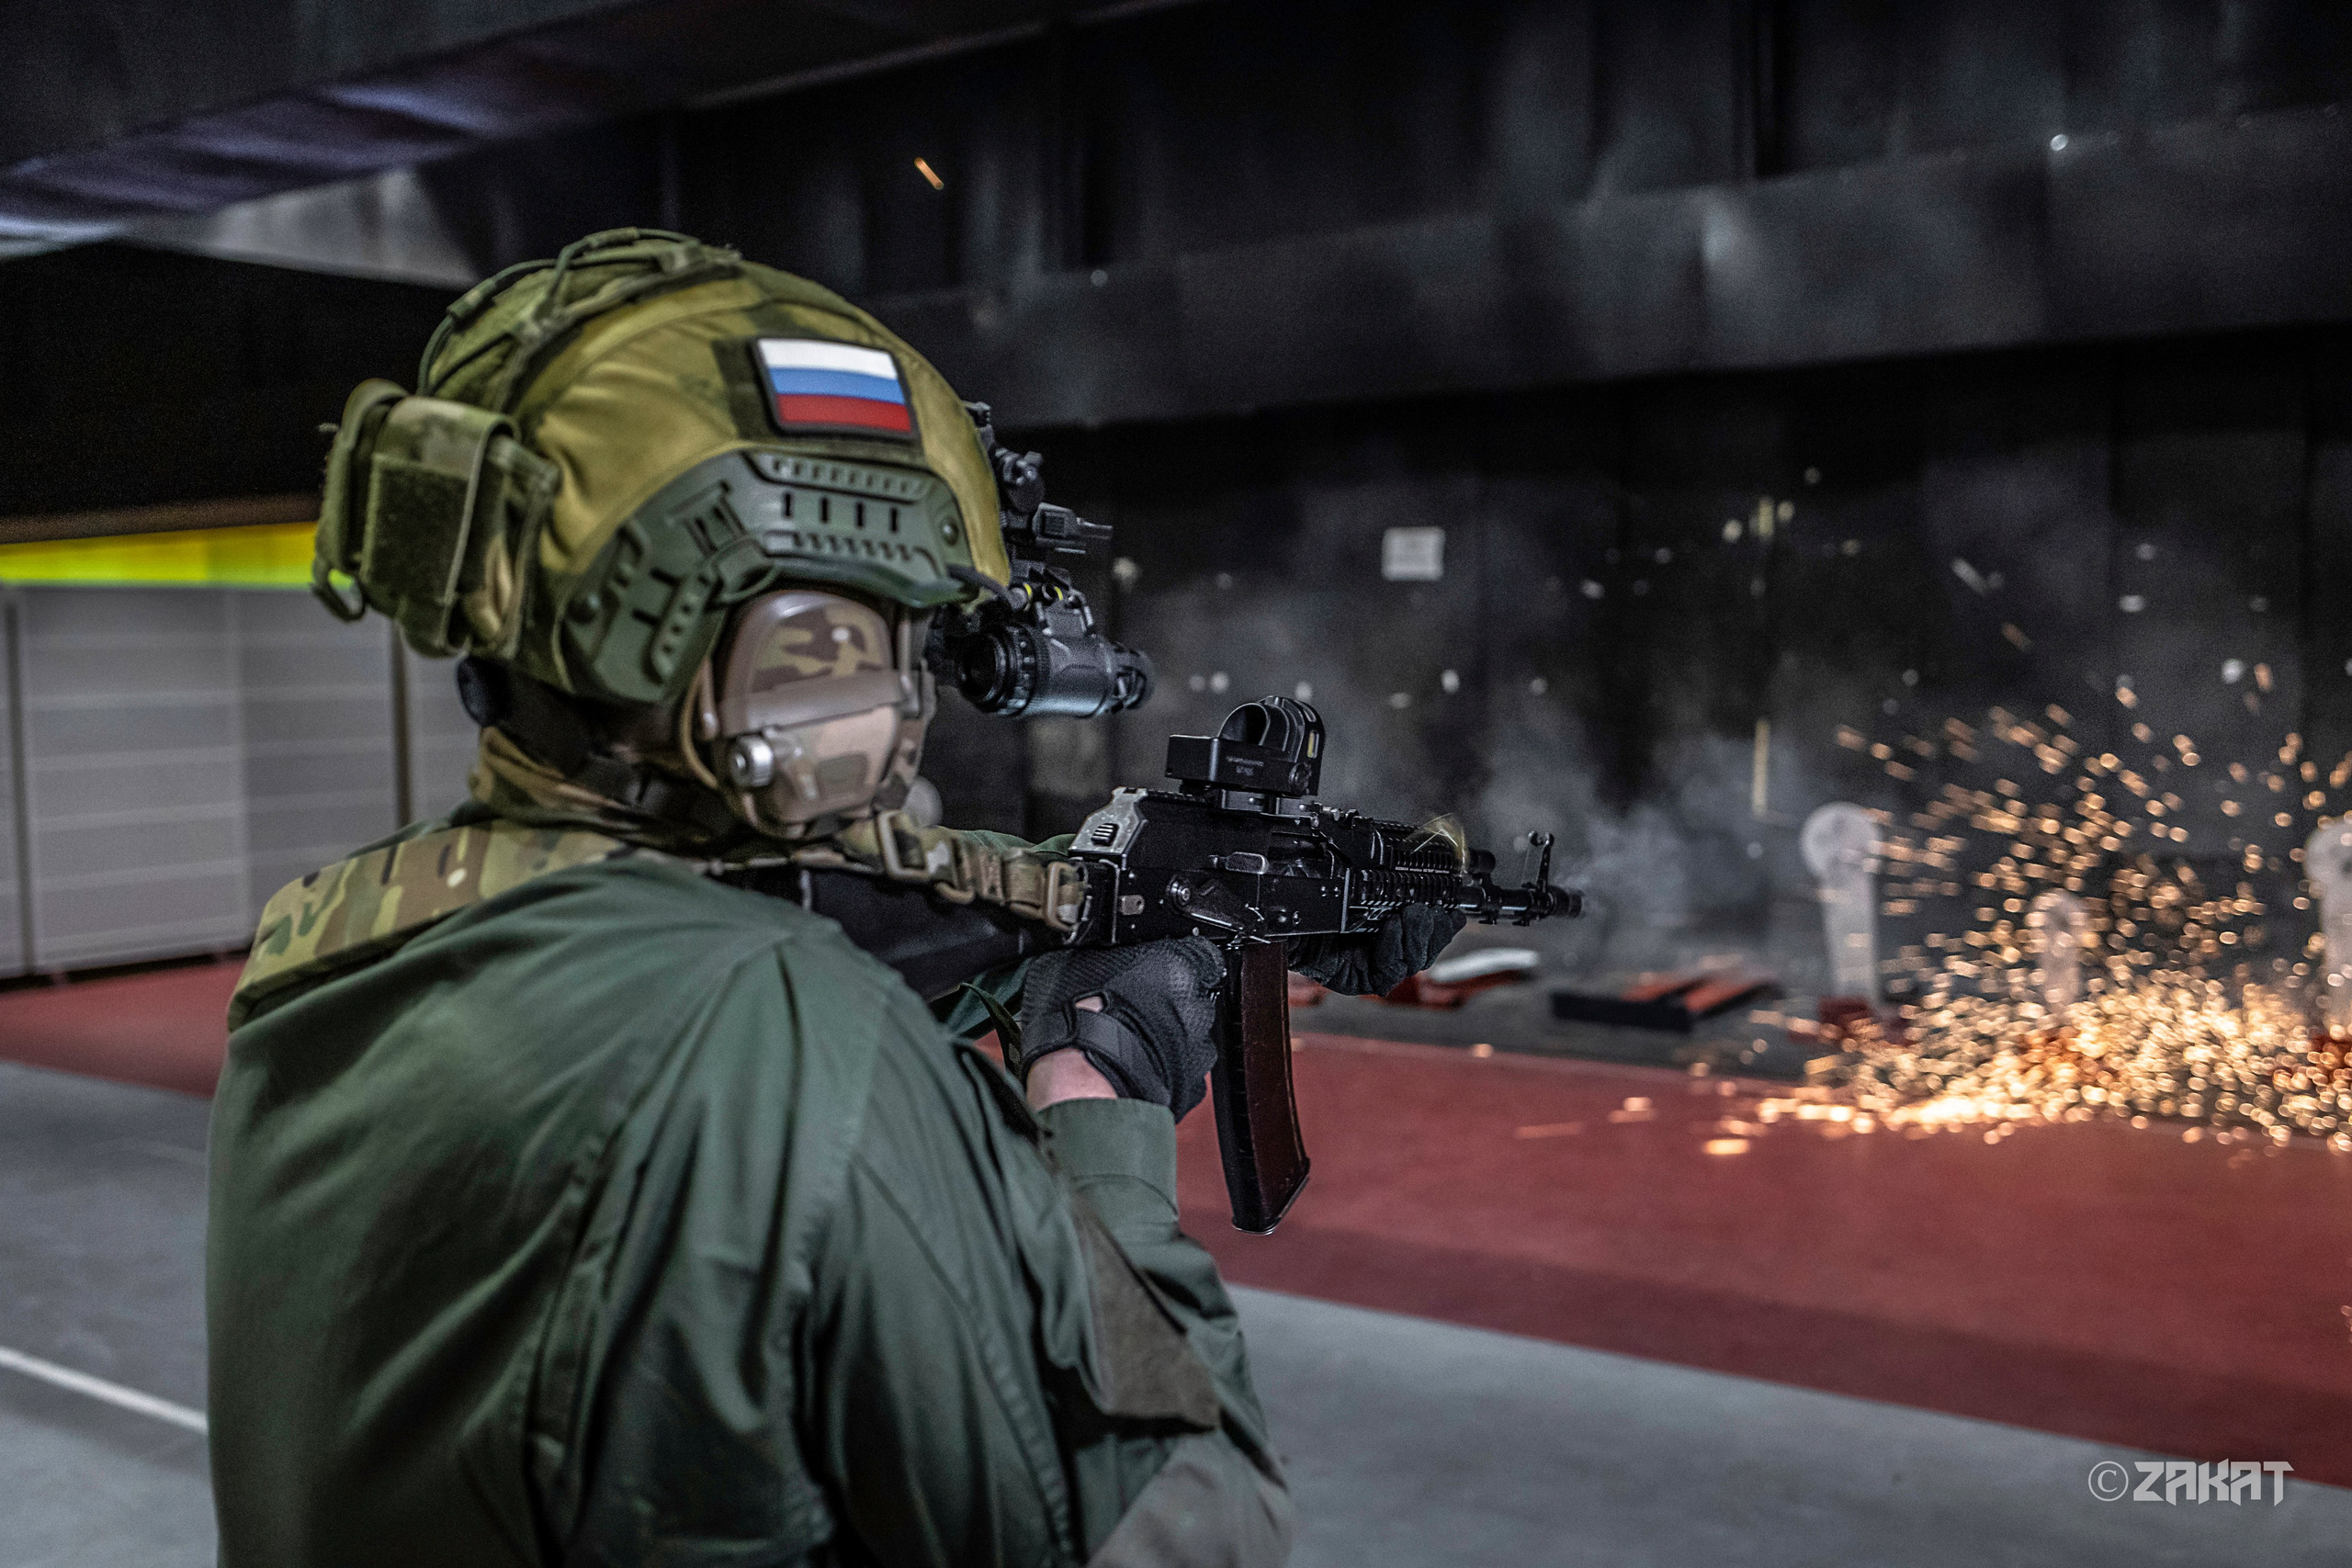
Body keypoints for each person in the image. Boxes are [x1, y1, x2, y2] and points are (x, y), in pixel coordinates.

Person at [205, 230, 1457, 1567]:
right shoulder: (793, 1046)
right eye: (894, 628)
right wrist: (1098, 1091)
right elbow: (1199, 1529)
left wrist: (1065, 900)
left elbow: (771, 924)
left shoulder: (334, 940)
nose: (913, 685)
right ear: (797, 645)